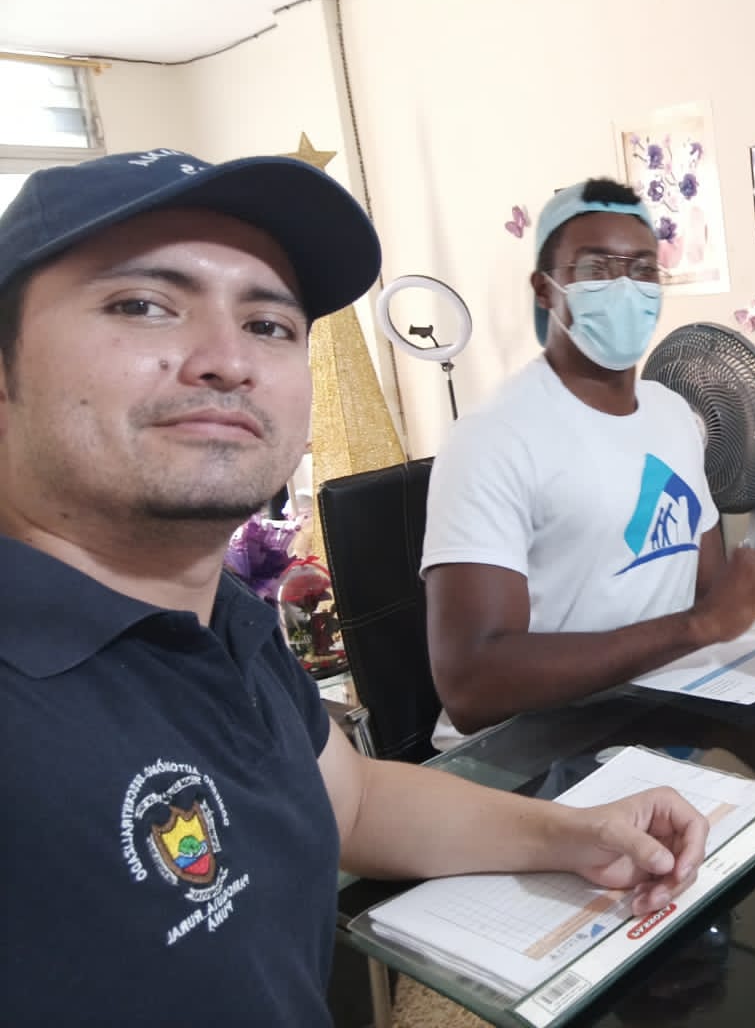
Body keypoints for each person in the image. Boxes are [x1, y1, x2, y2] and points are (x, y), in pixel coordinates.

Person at [0, 150, 709, 1026]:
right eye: (142, 305)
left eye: (268, 323)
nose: (228, 360)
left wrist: (580, 832)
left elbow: (357, 801)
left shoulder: (221, 618)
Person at [423, 179, 755, 744]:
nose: (626, 287)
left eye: (644, 269)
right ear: (545, 289)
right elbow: (470, 687)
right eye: (596, 268)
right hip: (530, 752)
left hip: (660, 712)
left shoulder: (675, 415)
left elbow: (704, 590)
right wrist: (698, 625)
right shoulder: (492, 438)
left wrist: (751, 588)